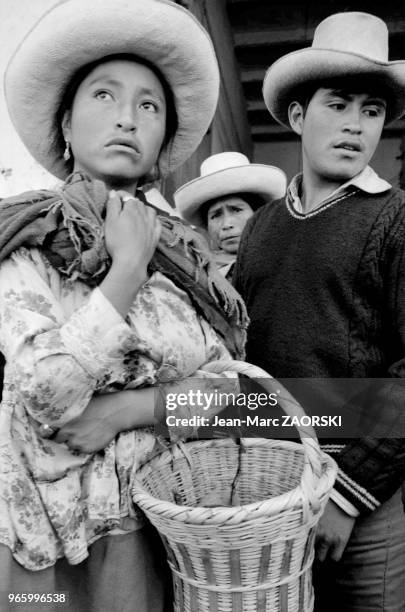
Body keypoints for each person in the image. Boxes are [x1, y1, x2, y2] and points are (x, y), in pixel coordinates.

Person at [0, 1, 248, 611]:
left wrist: (129, 408)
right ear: (65, 123)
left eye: (148, 105)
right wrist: (127, 271)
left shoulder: (186, 258)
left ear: (163, 137)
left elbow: (228, 393)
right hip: (51, 549)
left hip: (161, 531)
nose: (127, 119)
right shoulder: (28, 239)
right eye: (104, 96)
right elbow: (46, 393)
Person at [234, 11, 405, 611]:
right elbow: (238, 355)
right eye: (338, 104)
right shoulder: (260, 228)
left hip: (364, 502)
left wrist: (347, 496)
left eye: (372, 110)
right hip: (271, 487)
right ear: (299, 116)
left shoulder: (396, 219)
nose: (356, 126)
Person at [175, 152, 286, 280]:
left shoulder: (283, 263)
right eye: (215, 215)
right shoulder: (195, 273)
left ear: (259, 215)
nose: (227, 224)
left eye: (236, 210)